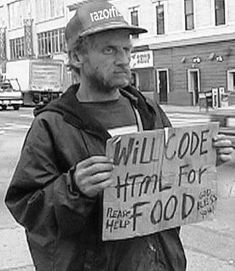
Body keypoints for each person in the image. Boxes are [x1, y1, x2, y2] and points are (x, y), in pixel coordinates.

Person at [5, 0, 235, 270]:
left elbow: (170, 177)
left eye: (127, 49)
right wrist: (74, 188)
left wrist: (203, 161)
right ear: (77, 57)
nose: (124, 60)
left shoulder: (147, 110)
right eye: (110, 50)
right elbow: (27, 209)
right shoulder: (51, 126)